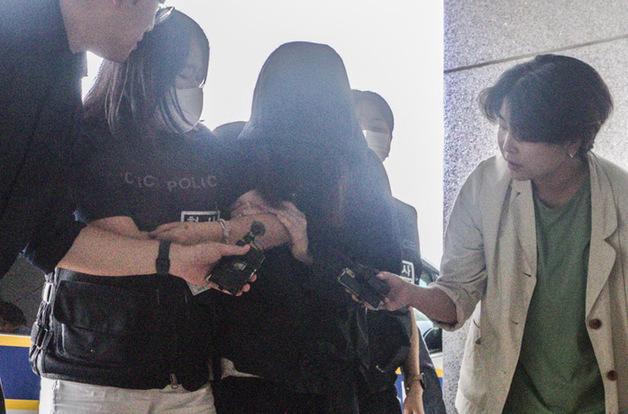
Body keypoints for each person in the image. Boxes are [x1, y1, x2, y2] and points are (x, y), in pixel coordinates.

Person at [31, 10, 290, 414]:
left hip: (187, 377)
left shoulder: (210, 149)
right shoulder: (88, 137)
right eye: (184, 76)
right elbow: (122, 239)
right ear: (145, 67)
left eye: (200, 80)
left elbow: (278, 225)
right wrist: (225, 232)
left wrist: (208, 233)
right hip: (93, 373)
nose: (193, 91)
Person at [158, 41, 402, 413]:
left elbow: (382, 282)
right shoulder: (356, 168)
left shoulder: (355, 169)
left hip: (275, 374)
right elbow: (381, 281)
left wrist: (306, 248)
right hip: (302, 374)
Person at [378, 55, 627, 413]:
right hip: (504, 402)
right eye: (503, 125)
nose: (507, 143)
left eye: (524, 134)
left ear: (573, 139)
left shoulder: (620, 199)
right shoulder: (485, 187)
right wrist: (412, 294)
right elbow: (457, 294)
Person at [0, 0, 219, 284]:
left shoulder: (65, 86)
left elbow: (48, 237)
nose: (152, 24)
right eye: (158, 5)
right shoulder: (11, 38)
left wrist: (176, 259)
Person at [353, 89, 446, 414]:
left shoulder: (404, 217)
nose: (367, 133)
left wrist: (415, 386)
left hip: (381, 391)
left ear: (390, 141)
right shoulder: (323, 215)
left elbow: (404, 304)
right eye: (356, 123)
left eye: (377, 126)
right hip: (333, 390)